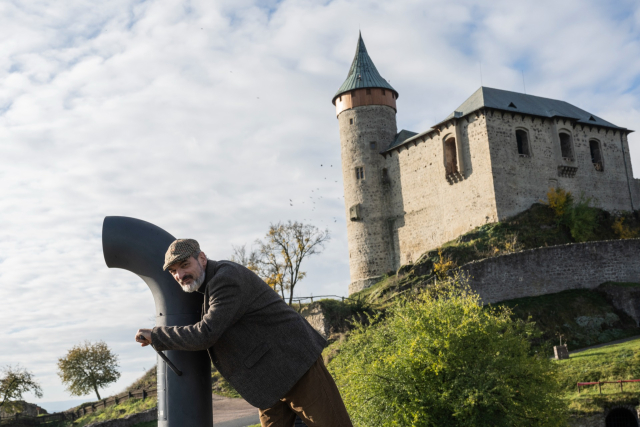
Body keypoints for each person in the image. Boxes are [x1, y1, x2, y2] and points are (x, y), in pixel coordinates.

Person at [135, 238, 353, 427]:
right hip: (268, 384)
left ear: (202, 258)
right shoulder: (208, 285)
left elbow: (206, 333)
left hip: (295, 367)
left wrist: (157, 335)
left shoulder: (225, 279)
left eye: (184, 265)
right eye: (174, 271)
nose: (180, 275)